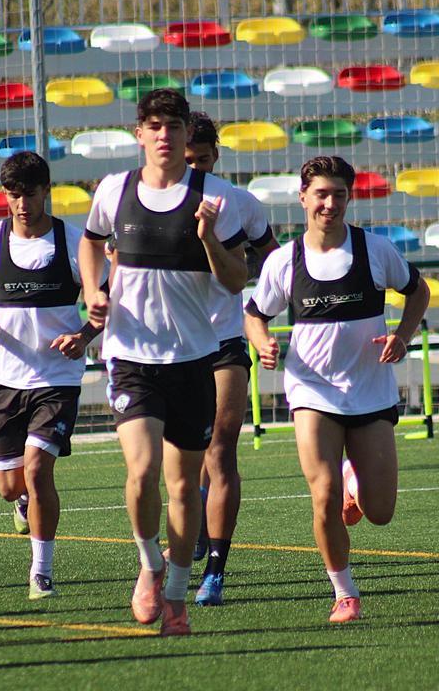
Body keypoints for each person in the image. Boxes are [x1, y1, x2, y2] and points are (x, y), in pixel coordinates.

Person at [79, 89, 248, 635]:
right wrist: (91, 289)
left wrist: (206, 238)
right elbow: (90, 242)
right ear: (139, 132)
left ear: (184, 132)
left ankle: (176, 594)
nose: (163, 135)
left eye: (172, 126)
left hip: (194, 358)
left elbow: (236, 280)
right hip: (130, 355)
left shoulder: (217, 196)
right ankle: (149, 564)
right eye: (153, 125)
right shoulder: (114, 190)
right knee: (142, 470)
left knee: (182, 486)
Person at [245, 156, 429, 623]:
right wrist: (263, 342)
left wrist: (402, 336)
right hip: (312, 393)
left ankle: (356, 481)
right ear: (303, 197)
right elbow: (255, 313)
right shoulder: (284, 260)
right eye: (321, 194)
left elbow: (418, 291)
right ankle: (344, 592)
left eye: (339, 194)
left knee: (381, 511)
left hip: (370, 392)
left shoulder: (375, 251)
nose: (329, 204)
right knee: (321, 494)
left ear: (350, 197)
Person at [0, 152, 100, 599]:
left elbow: (105, 301)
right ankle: (21, 503)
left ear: (47, 192)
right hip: (3, 376)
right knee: (9, 486)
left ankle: (41, 571)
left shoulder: (73, 242)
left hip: (56, 377)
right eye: (13, 195)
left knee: (39, 470)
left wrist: (83, 336)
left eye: (30, 194)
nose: (21, 203)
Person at [184, 111, 278, 606]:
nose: (195, 168)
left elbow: (275, 260)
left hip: (223, 339)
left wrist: (265, 324)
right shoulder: (150, 199)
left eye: (202, 159)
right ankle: (194, 520)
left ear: (216, 155)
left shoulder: (240, 203)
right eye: (187, 159)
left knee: (221, 451)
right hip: (170, 348)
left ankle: (215, 573)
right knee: (182, 458)